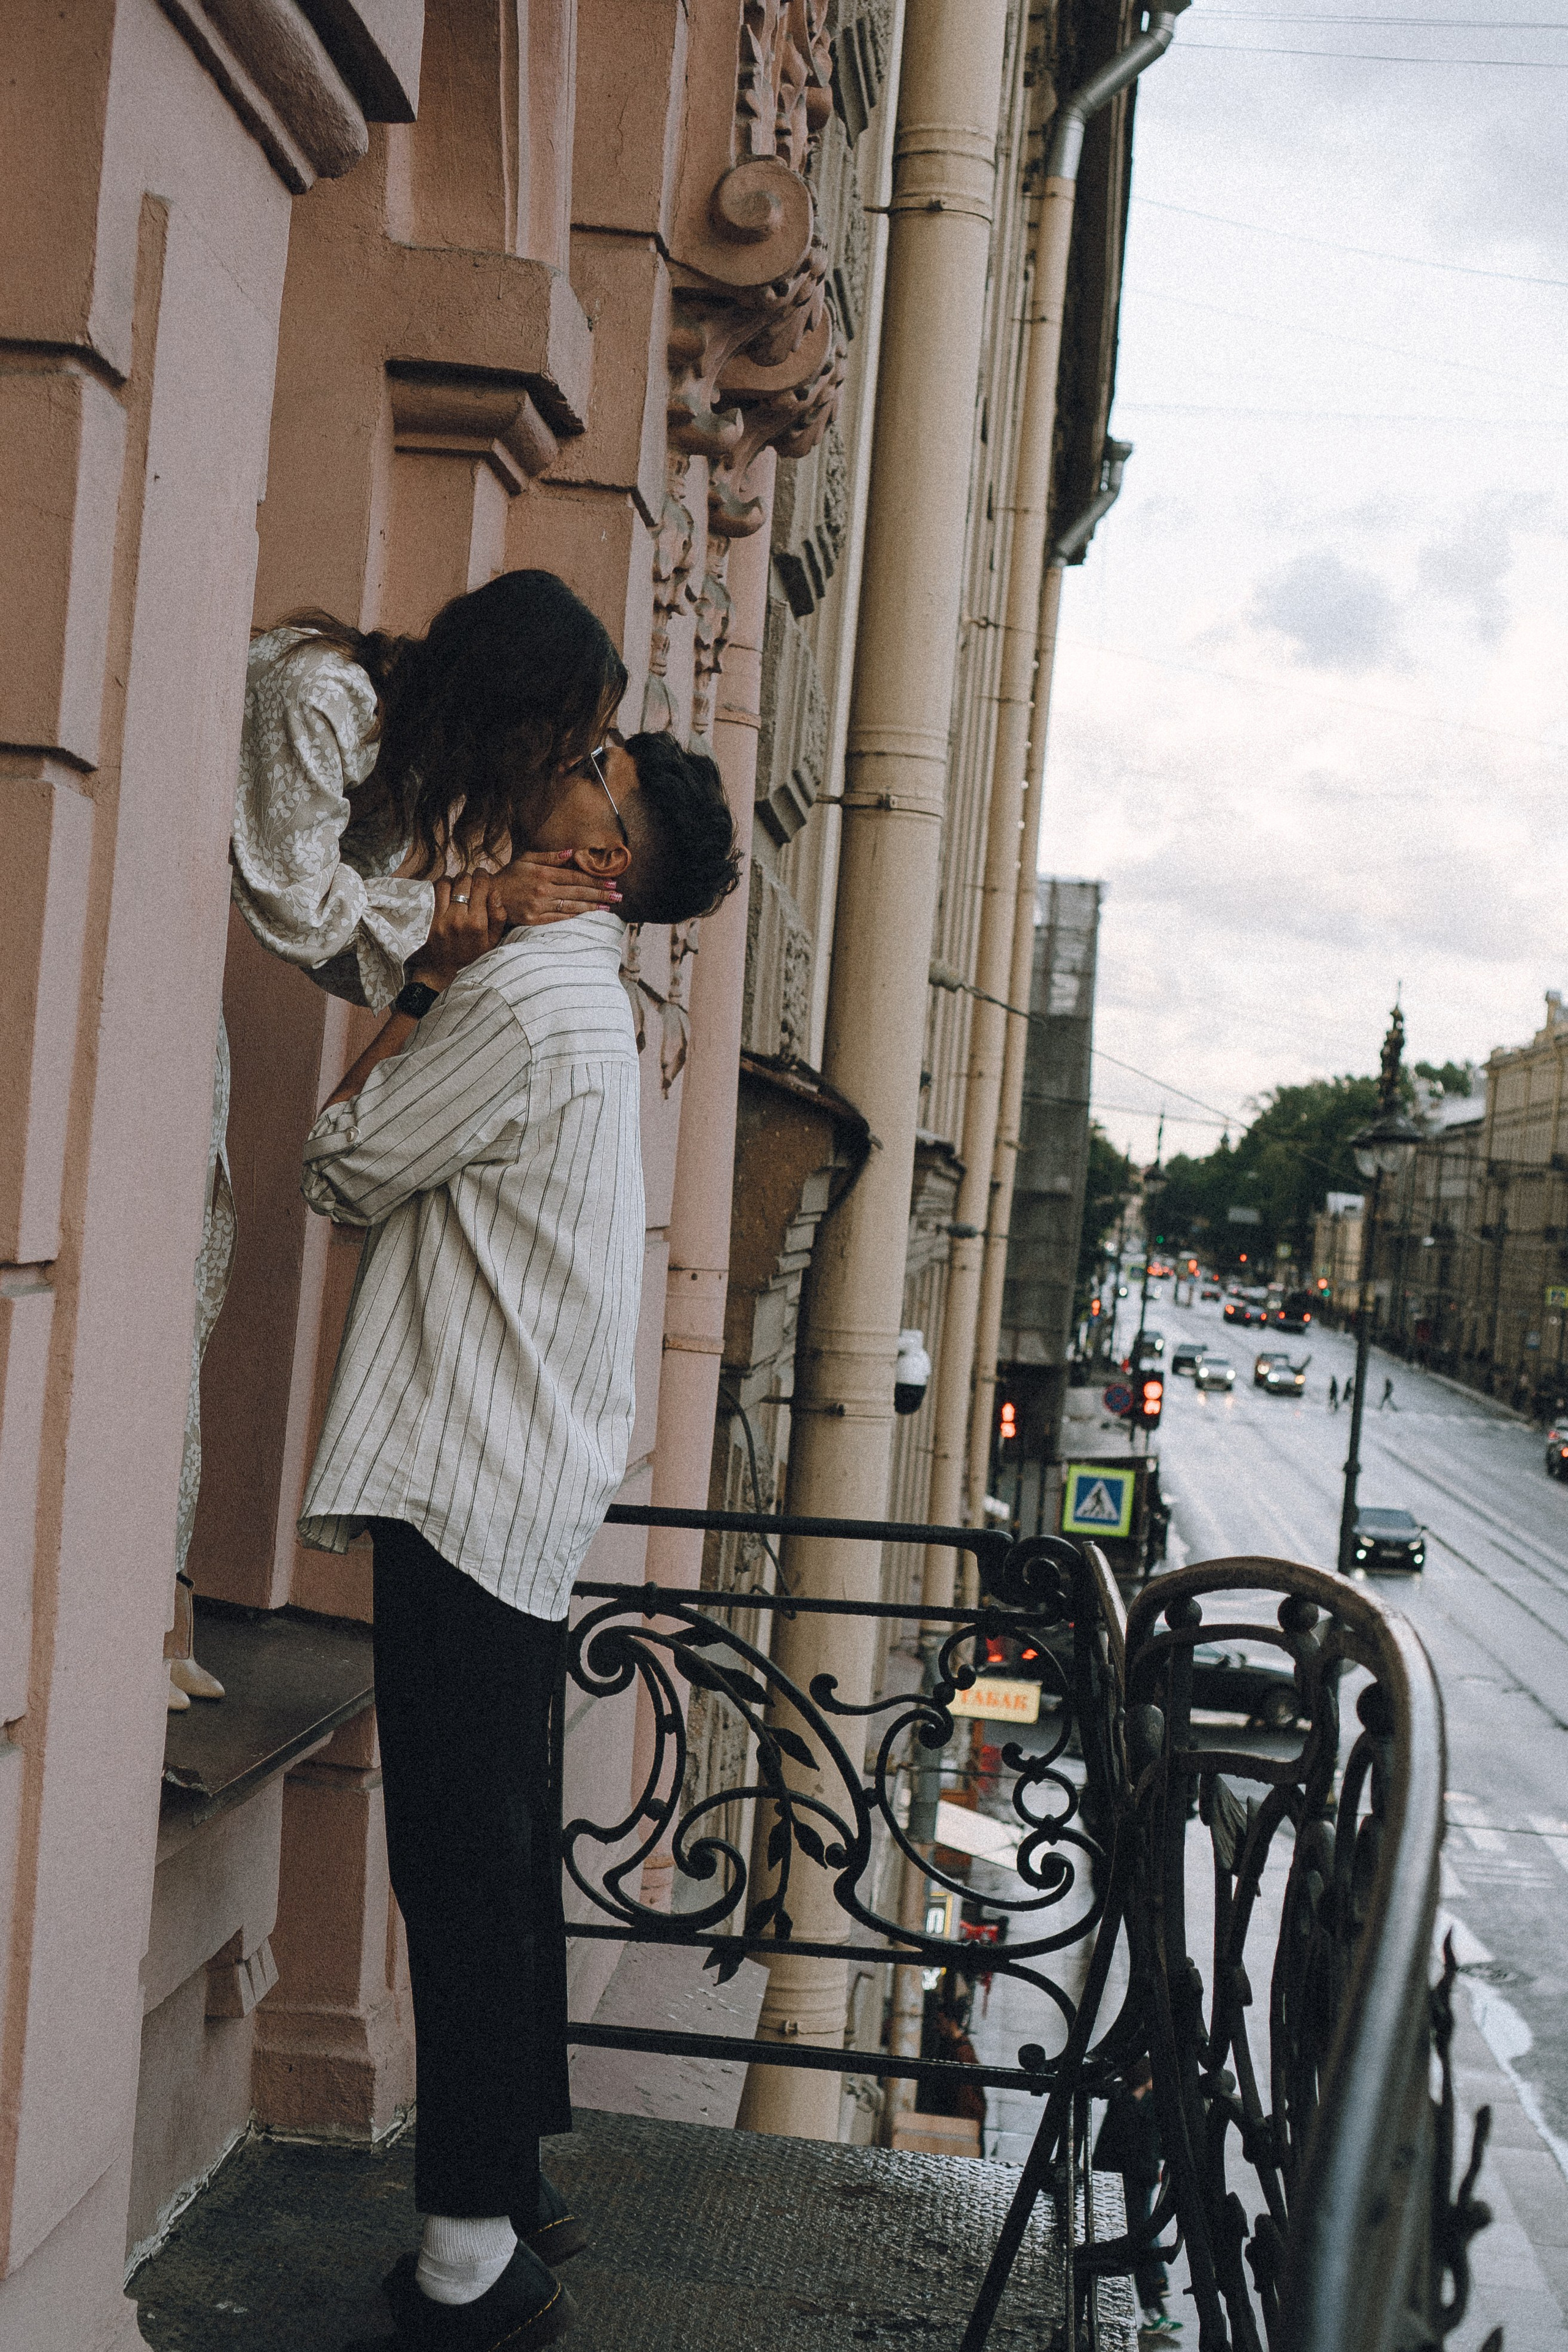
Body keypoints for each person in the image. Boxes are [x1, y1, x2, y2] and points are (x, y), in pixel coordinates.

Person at [300, 728, 742, 2352]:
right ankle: (514, 2193)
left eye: (598, 766)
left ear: (608, 849)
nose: (575, 759)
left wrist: (424, 976)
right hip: (518, 1475)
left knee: (459, 1864)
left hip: (468, 1479)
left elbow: (342, 1164)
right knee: (497, 1848)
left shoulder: (523, 995)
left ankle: (470, 2263)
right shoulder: (586, 1000)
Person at [168, 573, 627, 1712]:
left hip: (170, 998)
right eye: (568, 746)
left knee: (197, 1276)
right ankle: (151, 1609)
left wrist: (449, 923)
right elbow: (294, 900)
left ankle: (159, 1604)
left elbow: (344, 938)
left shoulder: (407, 761)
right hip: (125, 966)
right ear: (511, 709)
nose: (568, 773)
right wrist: (453, 915)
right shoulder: (327, 699)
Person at [1093, 2054, 1179, 2337]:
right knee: (1140, 2241)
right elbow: (1123, 2150)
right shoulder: (1129, 2108)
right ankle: (1154, 2300)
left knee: (1142, 2237)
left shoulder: (1138, 2103)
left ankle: (1156, 2291)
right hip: (1131, 2184)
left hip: (1138, 2183)